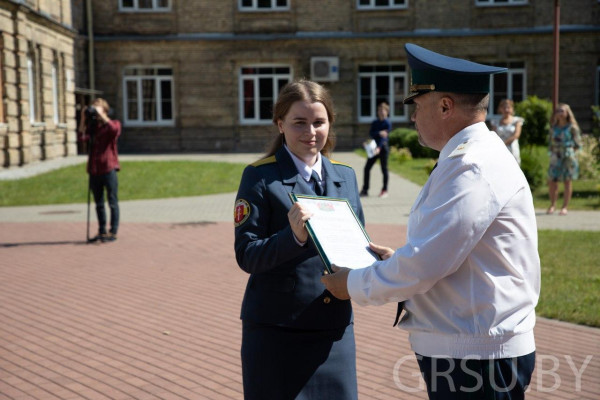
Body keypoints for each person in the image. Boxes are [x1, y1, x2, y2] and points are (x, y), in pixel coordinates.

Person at [321, 43, 540, 400]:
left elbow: (425, 264)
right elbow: (447, 252)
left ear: (444, 105)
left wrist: (354, 283)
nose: (411, 117)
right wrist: (397, 261)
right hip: (470, 348)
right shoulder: (467, 157)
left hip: (475, 358)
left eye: (416, 105)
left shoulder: (472, 166)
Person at [233, 79, 363, 399]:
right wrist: (292, 237)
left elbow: (355, 244)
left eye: (319, 122)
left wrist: (378, 261)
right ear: (280, 124)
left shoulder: (345, 175)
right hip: (277, 331)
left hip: (334, 328)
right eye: (299, 122)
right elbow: (247, 255)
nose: (311, 132)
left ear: (329, 123)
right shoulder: (261, 177)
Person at [78, 98, 122, 242]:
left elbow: (114, 130)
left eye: (98, 107)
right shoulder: (93, 127)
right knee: (99, 203)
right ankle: (102, 231)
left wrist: (102, 116)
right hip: (94, 169)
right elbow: (81, 138)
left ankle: (113, 232)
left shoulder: (113, 124)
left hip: (109, 168)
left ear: (105, 110)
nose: (95, 109)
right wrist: (83, 119)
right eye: (94, 107)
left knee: (112, 201)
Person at [546, 103, 582, 216]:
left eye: (562, 111)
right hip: (555, 156)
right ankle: (552, 205)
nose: (559, 113)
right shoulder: (553, 127)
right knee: (552, 181)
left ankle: (564, 207)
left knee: (567, 181)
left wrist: (572, 154)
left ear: (567, 113)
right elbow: (549, 142)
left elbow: (578, 144)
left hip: (568, 156)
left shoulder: (572, 127)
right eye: (558, 111)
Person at [360, 101, 392, 198]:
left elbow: (384, 138)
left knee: (384, 169)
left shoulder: (387, 123)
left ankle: (384, 190)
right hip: (373, 149)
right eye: (380, 110)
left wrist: (379, 147)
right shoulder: (375, 122)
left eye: (383, 110)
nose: (381, 112)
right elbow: (372, 134)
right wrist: (368, 142)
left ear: (387, 112)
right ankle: (365, 190)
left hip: (383, 148)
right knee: (367, 168)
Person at [490, 98, 524, 164]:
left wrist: (504, 144)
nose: (506, 110)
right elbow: (493, 135)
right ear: (500, 109)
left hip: (512, 149)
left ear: (512, 109)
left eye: (508, 107)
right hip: (499, 150)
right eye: (504, 108)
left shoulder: (517, 121)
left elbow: (516, 135)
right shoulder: (496, 122)